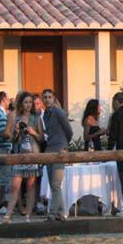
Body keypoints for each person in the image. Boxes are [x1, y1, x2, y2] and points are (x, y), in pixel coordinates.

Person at [0, 92, 44, 224]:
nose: (28, 105)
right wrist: (17, 131)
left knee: (31, 186)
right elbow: (11, 139)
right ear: (21, 103)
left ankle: (28, 216)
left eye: (30, 102)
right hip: (19, 154)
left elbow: (41, 138)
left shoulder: (36, 118)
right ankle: (8, 215)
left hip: (33, 153)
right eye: (26, 102)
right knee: (15, 186)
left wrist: (33, 132)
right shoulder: (15, 117)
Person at [41, 89, 74, 221]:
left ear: (54, 98)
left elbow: (69, 131)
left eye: (49, 97)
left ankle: (52, 213)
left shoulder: (59, 112)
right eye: (45, 97)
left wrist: (64, 146)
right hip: (50, 150)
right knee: (54, 185)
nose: (47, 99)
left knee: (55, 184)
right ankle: (61, 213)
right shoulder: (45, 115)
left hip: (60, 150)